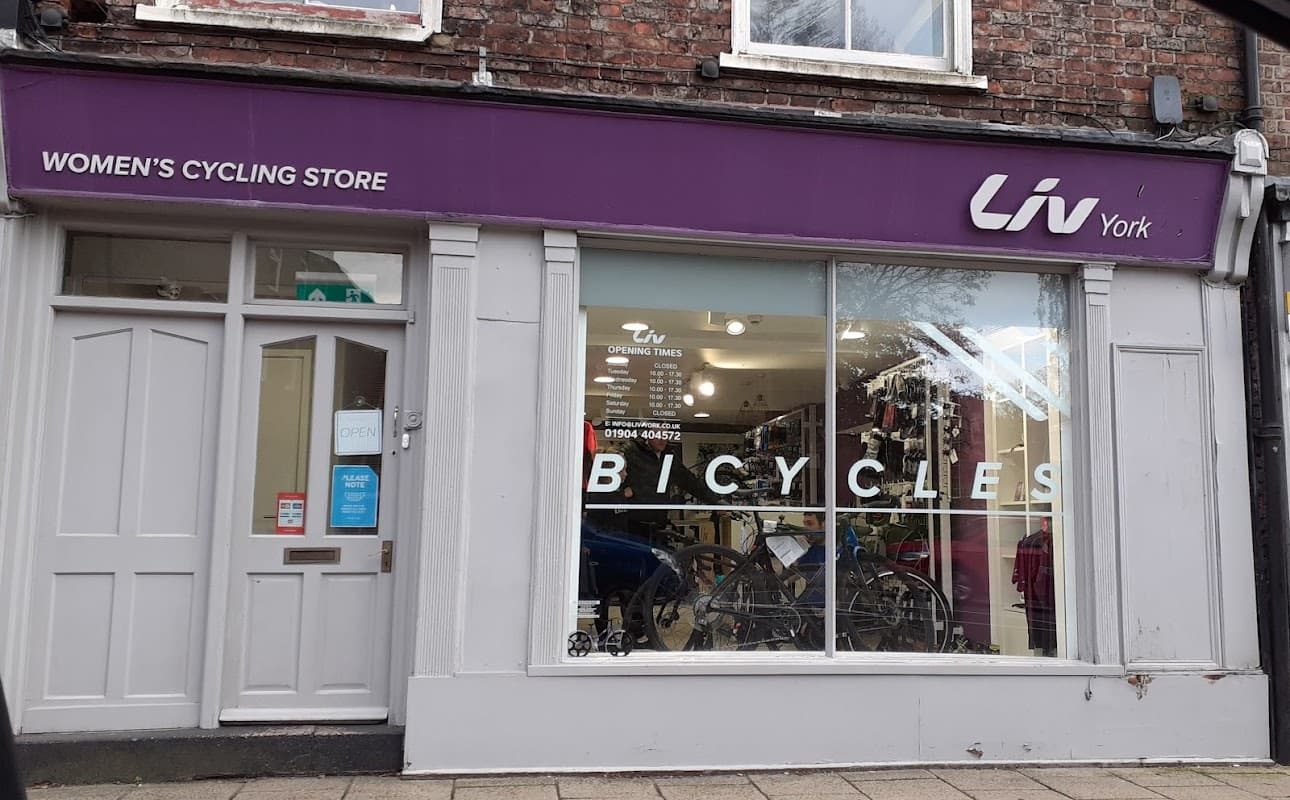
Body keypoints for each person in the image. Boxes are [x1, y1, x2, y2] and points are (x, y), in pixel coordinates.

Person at [621, 430, 717, 544]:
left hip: (659, 521)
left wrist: (716, 501)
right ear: (648, 435)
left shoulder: (668, 455)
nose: (662, 439)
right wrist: (626, 493)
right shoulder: (631, 451)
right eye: (657, 435)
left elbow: (688, 480)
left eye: (665, 435)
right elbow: (614, 476)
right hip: (633, 522)